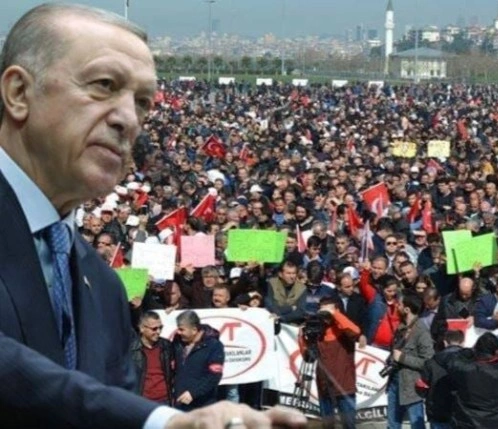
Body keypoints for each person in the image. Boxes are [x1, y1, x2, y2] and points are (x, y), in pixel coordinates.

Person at [0, 3, 305, 429]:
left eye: (142, 102)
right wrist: (162, 423)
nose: (129, 119)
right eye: (103, 85)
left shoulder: (102, 284)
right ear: (18, 93)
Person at [299, 296, 360, 429]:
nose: (325, 314)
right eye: (322, 310)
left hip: (344, 384)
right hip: (324, 384)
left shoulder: (343, 329)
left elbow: (356, 331)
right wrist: (303, 334)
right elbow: (307, 357)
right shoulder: (317, 330)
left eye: (328, 310)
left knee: (349, 425)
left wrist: (334, 313)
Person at [386, 290, 435, 429]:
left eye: (400, 305)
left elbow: (428, 361)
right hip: (395, 381)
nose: (397, 307)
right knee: (392, 424)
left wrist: (403, 358)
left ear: (407, 309)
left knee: (416, 423)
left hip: (412, 385)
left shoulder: (421, 331)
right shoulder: (401, 328)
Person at [417, 329, 465, 429]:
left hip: (438, 411)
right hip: (463, 412)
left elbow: (421, 388)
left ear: (445, 342)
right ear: (463, 343)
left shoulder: (431, 363)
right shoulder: (471, 362)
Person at [131, 311, 175, 405]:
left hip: (165, 400)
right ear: (142, 328)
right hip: (142, 401)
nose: (158, 332)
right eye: (154, 329)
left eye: (160, 327)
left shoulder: (167, 346)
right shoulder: (132, 349)